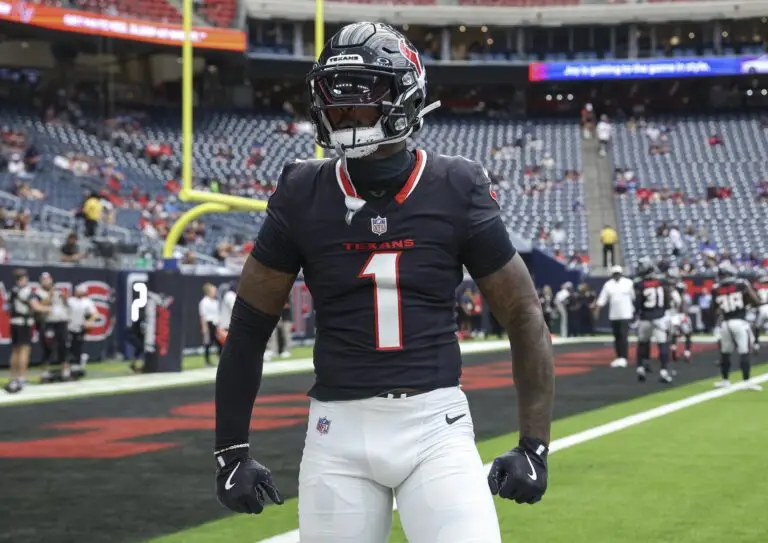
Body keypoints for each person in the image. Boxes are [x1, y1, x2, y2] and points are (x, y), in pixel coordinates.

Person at [213, 22, 555, 543]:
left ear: (405, 99)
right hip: (336, 432)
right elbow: (250, 323)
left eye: (362, 100)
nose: (344, 114)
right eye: (336, 100)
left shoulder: (455, 185)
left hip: (435, 425)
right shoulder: (302, 190)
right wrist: (231, 448)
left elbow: (524, 313)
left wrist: (535, 443)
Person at [711, 263, 761, 390]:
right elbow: (755, 300)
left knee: (725, 353)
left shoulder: (716, 288)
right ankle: (746, 381)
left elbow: (714, 309)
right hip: (739, 322)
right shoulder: (741, 284)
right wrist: (748, 304)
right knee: (744, 351)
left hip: (725, 323)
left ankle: (725, 380)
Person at [633, 257, 678, 383]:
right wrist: (666, 311)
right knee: (662, 344)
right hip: (659, 316)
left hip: (645, 318)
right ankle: (663, 370)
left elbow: (637, 302)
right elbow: (667, 297)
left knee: (642, 343)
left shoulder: (639, 284)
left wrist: (636, 314)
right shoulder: (662, 282)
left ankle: (641, 367)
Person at [4, 269, 49, 393]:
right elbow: (36, 307)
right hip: (24, 324)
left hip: (14, 323)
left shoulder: (12, 291)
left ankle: (13, 377)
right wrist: (49, 308)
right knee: (24, 351)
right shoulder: (26, 291)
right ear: (23, 279)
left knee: (15, 351)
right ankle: (22, 377)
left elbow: (6, 309)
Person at [594, 265, 635, 368]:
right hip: (614, 315)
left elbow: (634, 297)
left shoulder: (628, 283)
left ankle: (624, 357)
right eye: (615, 274)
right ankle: (619, 357)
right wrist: (597, 310)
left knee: (623, 336)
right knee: (617, 337)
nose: (616, 275)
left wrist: (635, 310)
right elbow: (602, 299)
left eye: (618, 273)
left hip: (626, 314)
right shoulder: (608, 285)